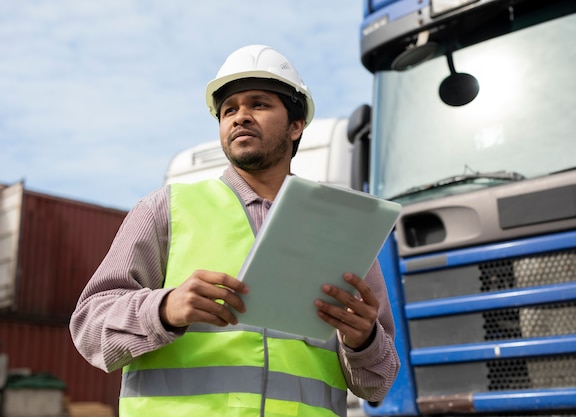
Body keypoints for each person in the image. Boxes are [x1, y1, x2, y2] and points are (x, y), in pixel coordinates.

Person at [70, 44, 399, 417]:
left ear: (296, 125)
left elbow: (378, 382)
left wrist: (363, 339)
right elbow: (89, 328)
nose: (240, 116)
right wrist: (163, 308)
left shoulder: (344, 226)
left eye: (258, 104)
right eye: (229, 110)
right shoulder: (164, 209)